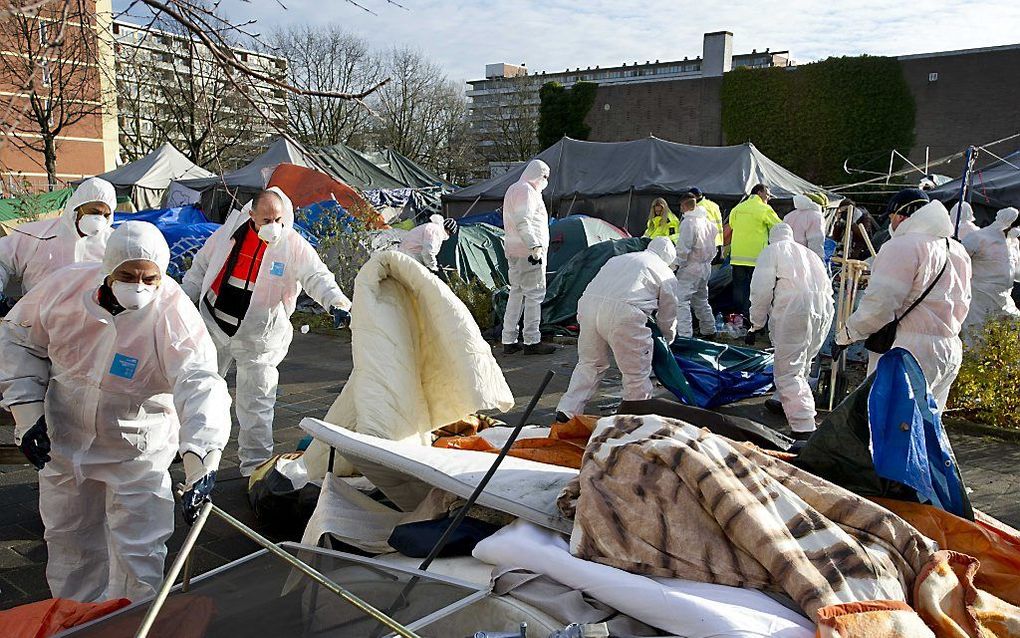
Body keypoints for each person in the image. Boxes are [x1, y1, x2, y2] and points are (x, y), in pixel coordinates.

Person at [0, 221, 230, 602]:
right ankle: (75, 622)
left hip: (136, 451)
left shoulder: (172, 312)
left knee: (138, 551)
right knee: (70, 542)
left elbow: (199, 382)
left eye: (149, 277)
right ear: (108, 269)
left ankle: (131, 621)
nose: (139, 286)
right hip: (66, 441)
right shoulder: (65, 289)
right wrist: (26, 415)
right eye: (128, 275)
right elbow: (19, 339)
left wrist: (200, 462)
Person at [182, 188, 352, 476]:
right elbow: (200, 267)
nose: (273, 225)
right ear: (252, 216)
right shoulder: (228, 235)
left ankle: (253, 467)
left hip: (259, 337)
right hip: (215, 324)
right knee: (201, 390)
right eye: (266, 219)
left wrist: (336, 303)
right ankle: (193, 452)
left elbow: (316, 275)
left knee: (257, 403)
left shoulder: (292, 245)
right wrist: (184, 301)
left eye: (278, 218)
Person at [836, 189, 972, 412]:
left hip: (908, 349)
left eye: (891, 218)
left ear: (900, 216)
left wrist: (847, 335)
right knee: (927, 430)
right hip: (949, 349)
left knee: (889, 426)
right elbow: (964, 300)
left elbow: (880, 305)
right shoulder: (956, 249)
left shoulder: (903, 245)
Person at [555, 237, 680, 420]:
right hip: (625, 313)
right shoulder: (664, 272)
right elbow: (668, 315)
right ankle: (633, 420)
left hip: (588, 306)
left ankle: (567, 411)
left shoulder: (620, 258)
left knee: (589, 364)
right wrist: (667, 341)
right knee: (635, 374)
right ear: (670, 258)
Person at [745, 223, 834, 440]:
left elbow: (760, 290)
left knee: (787, 369)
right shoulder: (810, 254)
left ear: (771, 238)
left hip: (795, 308)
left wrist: (756, 323)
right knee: (803, 360)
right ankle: (781, 400)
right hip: (824, 308)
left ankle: (804, 425)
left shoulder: (773, 251)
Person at [0, 177, 116, 300]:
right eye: (94, 212)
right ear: (77, 207)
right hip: (36, 315)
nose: (99, 219)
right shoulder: (38, 235)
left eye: (106, 215)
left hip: (91, 317)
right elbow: (3, 260)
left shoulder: (113, 243)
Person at [501, 159, 555, 355]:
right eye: (545, 177)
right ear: (539, 175)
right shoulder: (527, 191)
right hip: (529, 252)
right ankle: (532, 340)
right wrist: (535, 246)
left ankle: (509, 339)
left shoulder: (514, 189)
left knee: (516, 293)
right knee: (534, 295)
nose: (546, 181)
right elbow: (523, 220)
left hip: (515, 251)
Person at [961, 207, 1020, 336]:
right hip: (979, 298)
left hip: (1003, 299)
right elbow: (959, 262)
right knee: (976, 336)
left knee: (1012, 331)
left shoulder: (1012, 244)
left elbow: (1016, 273)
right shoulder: (978, 237)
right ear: (1008, 224)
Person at [727, 184, 781, 318]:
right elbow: (779, 227)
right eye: (767, 195)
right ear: (759, 192)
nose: (768, 198)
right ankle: (749, 317)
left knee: (738, 287)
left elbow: (732, 225)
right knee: (754, 290)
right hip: (756, 257)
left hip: (737, 256)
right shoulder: (764, 209)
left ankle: (737, 316)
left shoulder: (738, 208)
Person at [674, 193, 717, 338]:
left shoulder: (689, 223)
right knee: (701, 300)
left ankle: (685, 335)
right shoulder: (708, 223)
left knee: (681, 300)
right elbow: (714, 247)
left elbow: (683, 249)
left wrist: (675, 265)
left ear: (684, 206)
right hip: (705, 266)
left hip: (691, 267)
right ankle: (709, 329)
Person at [783, 194, 826, 261]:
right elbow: (816, 242)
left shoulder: (789, 215)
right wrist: (818, 260)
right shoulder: (816, 217)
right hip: (804, 258)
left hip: (788, 255)